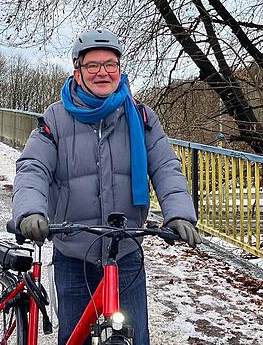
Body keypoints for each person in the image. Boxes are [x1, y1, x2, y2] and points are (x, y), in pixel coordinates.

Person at [12, 28, 201, 345]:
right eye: (92, 65)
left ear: (120, 69)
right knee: (75, 337)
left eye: (110, 64)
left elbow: (165, 166)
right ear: (77, 71)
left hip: (125, 248)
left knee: (136, 337)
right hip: (74, 251)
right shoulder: (55, 119)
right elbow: (34, 167)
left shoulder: (140, 117)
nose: (102, 72)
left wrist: (179, 214)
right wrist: (31, 210)